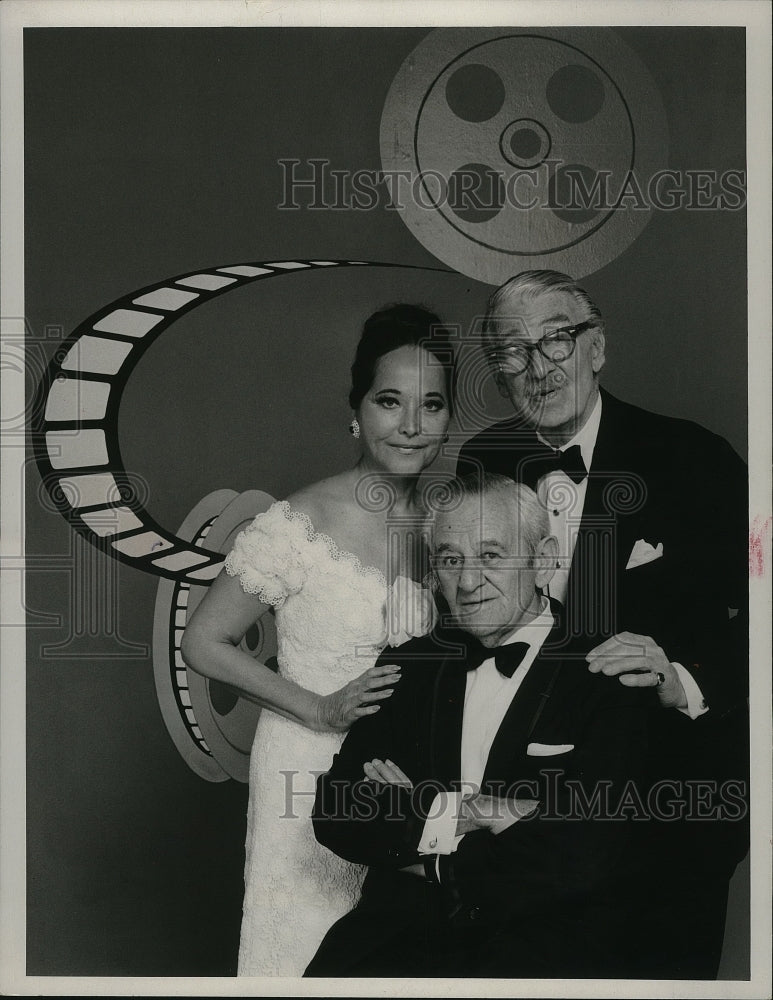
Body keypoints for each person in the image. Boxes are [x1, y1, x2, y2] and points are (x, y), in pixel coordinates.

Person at [455, 270, 749, 978]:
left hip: (665, 812)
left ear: (597, 348)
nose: (536, 366)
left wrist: (683, 678)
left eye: (555, 339)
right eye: (511, 351)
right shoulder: (482, 460)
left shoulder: (693, 457)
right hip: (525, 823)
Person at [181, 304, 455, 976]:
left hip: (401, 780)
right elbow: (204, 641)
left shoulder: (445, 523)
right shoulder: (299, 520)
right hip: (303, 774)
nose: (411, 424)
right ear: (356, 412)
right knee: (301, 957)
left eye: (432, 404)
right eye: (390, 401)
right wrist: (316, 708)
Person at [306, 473, 658, 978]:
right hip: (400, 934)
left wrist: (421, 821)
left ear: (544, 559)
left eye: (491, 556)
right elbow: (337, 810)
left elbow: (588, 850)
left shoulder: (605, 670)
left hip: (539, 942)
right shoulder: (412, 662)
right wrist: (484, 810)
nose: (467, 583)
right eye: (450, 560)